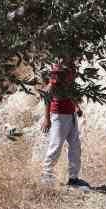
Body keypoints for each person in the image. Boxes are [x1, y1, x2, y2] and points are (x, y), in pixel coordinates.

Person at [41, 59, 88, 188]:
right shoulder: (59, 70)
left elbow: (70, 91)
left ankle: (73, 178)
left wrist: (76, 106)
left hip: (71, 114)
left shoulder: (69, 69)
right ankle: (46, 175)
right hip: (59, 115)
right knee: (55, 146)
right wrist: (47, 118)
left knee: (75, 147)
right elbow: (47, 95)